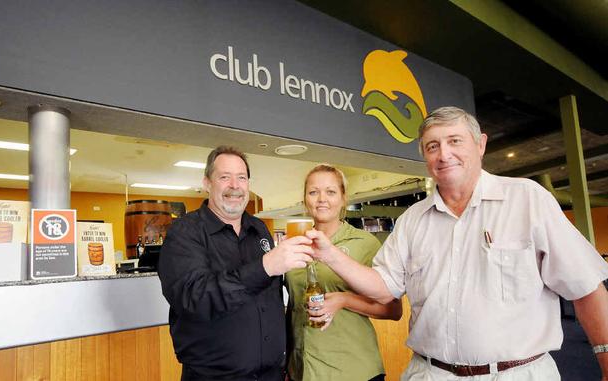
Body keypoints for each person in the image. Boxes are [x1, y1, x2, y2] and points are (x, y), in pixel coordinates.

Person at [306, 106, 608, 380]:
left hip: (516, 374)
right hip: (430, 373)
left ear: (480, 145)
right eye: (432, 146)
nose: (443, 154)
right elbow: (384, 288)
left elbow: (586, 288)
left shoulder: (527, 199)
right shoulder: (413, 220)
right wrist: (330, 254)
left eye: (455, 141)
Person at [158, 146, 314, 381]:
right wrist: (264, 267)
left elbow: (270, 300)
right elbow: (195, 298)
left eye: (242, 178)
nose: (235, 185)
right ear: (207, 183)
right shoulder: (184, 232)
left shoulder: (259, 228)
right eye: (224, 177)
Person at [285, 164, 402, 381]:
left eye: (330, 192)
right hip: (302, 370)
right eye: (313, 192)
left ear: (343, 198)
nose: (321, 198)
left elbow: (393, 310)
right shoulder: (295, 245)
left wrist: (344, 299)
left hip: (351, 369)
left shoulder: (364, 243)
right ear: (304, 200)